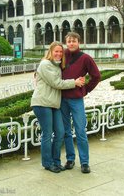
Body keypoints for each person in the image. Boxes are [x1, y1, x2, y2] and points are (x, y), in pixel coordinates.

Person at [31, 41, 85, 173]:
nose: (59, 54)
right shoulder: (45, 64)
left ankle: (56, 161)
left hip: (54, 104)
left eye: (61, 52)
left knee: (60, 132)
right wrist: (75, 82)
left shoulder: (58, 65)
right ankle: (47, 163)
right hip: (42, 103)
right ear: (50, 52)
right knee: (47, 134)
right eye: (56, 51)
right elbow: (56, 83)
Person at [61, 32, 101, 174]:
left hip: (76, 100)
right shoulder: (62, 55)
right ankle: (70, 159)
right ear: (66, 42)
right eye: (69, 41)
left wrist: (86, 90)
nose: (71, 43)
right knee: (66, 131)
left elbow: (96, 76)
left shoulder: (85, 58)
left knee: (80, 131)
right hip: (62, 99)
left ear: (79, 42)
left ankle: (84, 162)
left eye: (74, 41)